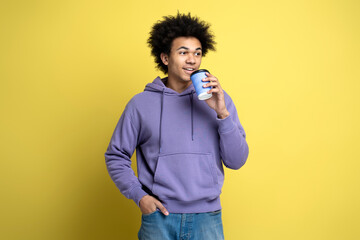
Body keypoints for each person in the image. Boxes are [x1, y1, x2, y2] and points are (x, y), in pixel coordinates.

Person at [105, 12, 249, 240]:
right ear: (165, 58)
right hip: (159, 217)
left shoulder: (220, 100)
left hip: (207, 217)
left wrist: (222, 113)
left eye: (197, 53)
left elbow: (237, 160)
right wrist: (139, 196)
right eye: (183, 52)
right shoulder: (140, 104)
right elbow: (116, 155)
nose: (192, 59)